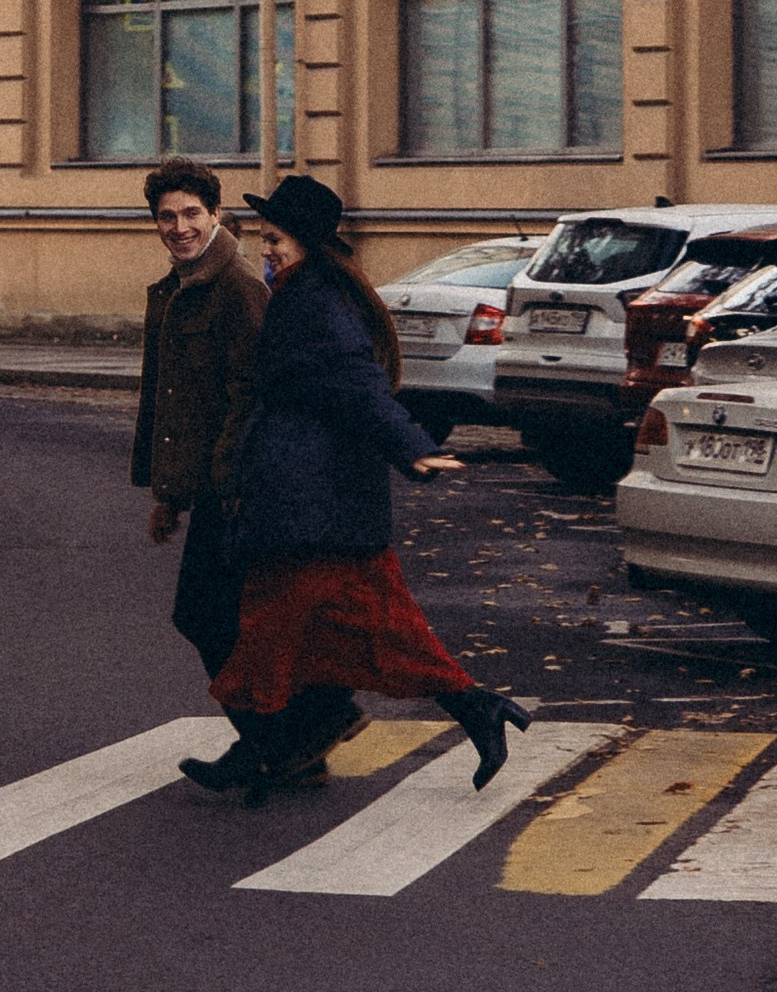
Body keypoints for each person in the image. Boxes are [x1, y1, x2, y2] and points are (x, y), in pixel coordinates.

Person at [185, 171, 529, 809]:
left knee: (270, 631)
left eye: (276, 239)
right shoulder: (307, 290)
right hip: (316, 500)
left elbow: (359, 385)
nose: (268, 248)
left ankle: (268, 750)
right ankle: (472, 710)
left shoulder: (314, 301)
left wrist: (414, 449)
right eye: (266, 238)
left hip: (310, 504)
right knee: (373, 631)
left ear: (308, 242)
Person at [130, 156, 269, 687]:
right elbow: (173, 403)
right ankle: (287, 738)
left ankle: (290, 735)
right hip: (213, 486)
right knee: (219, 618)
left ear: (215, 214)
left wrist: (231, 485)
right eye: (168, 217)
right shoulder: (180, 286)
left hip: (235, 487)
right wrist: (168, 494)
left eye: (192, 214)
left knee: (205, 616)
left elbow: (252, 395)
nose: (180, 228)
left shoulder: (236, 286)